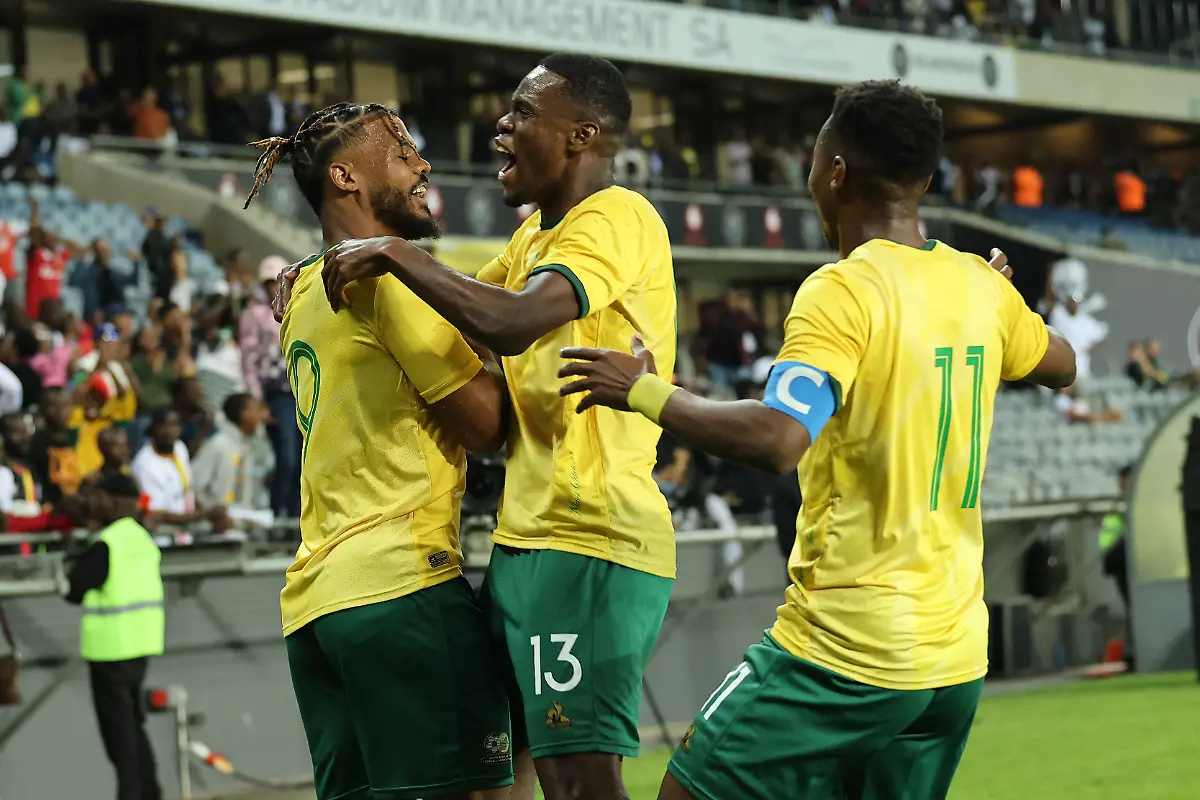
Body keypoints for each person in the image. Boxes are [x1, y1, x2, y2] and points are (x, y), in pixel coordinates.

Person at [554, 80, 1077, 800]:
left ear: (833, 172)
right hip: (953, 660)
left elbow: (778, 439)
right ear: (925, 180)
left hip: (847, 648)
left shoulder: (844, 289)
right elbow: (1062, 364)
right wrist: (992, 298)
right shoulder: (978, 287)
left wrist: (645, 391)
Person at [284, 55, 678, 800]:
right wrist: (347, 261)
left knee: (572, 779)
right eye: (401, 151)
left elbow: (508, 318)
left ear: (580, 135)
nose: (501, 123)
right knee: (510, 771)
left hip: (582, 534)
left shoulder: (615, 215)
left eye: (524, 112)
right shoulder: (530, 244)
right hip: (505, 547)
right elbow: (466, 322)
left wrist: (385, 252)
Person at [242, 101, 514, 800]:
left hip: (317, 606)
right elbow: (488, 427)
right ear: (346, 178)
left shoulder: (304, 286)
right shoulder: (390, 280)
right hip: (401, 589)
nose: (423, 166)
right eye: (401, 154)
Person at [62, 474, 164, 800]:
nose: (95, 503)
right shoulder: (142, 539)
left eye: (100, 496)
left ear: (114, 501)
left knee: (119, 741)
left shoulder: (108, 543)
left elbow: (74, 588)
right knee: (133, 728)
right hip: (141, 646)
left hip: (110, 651)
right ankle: (151, 793)